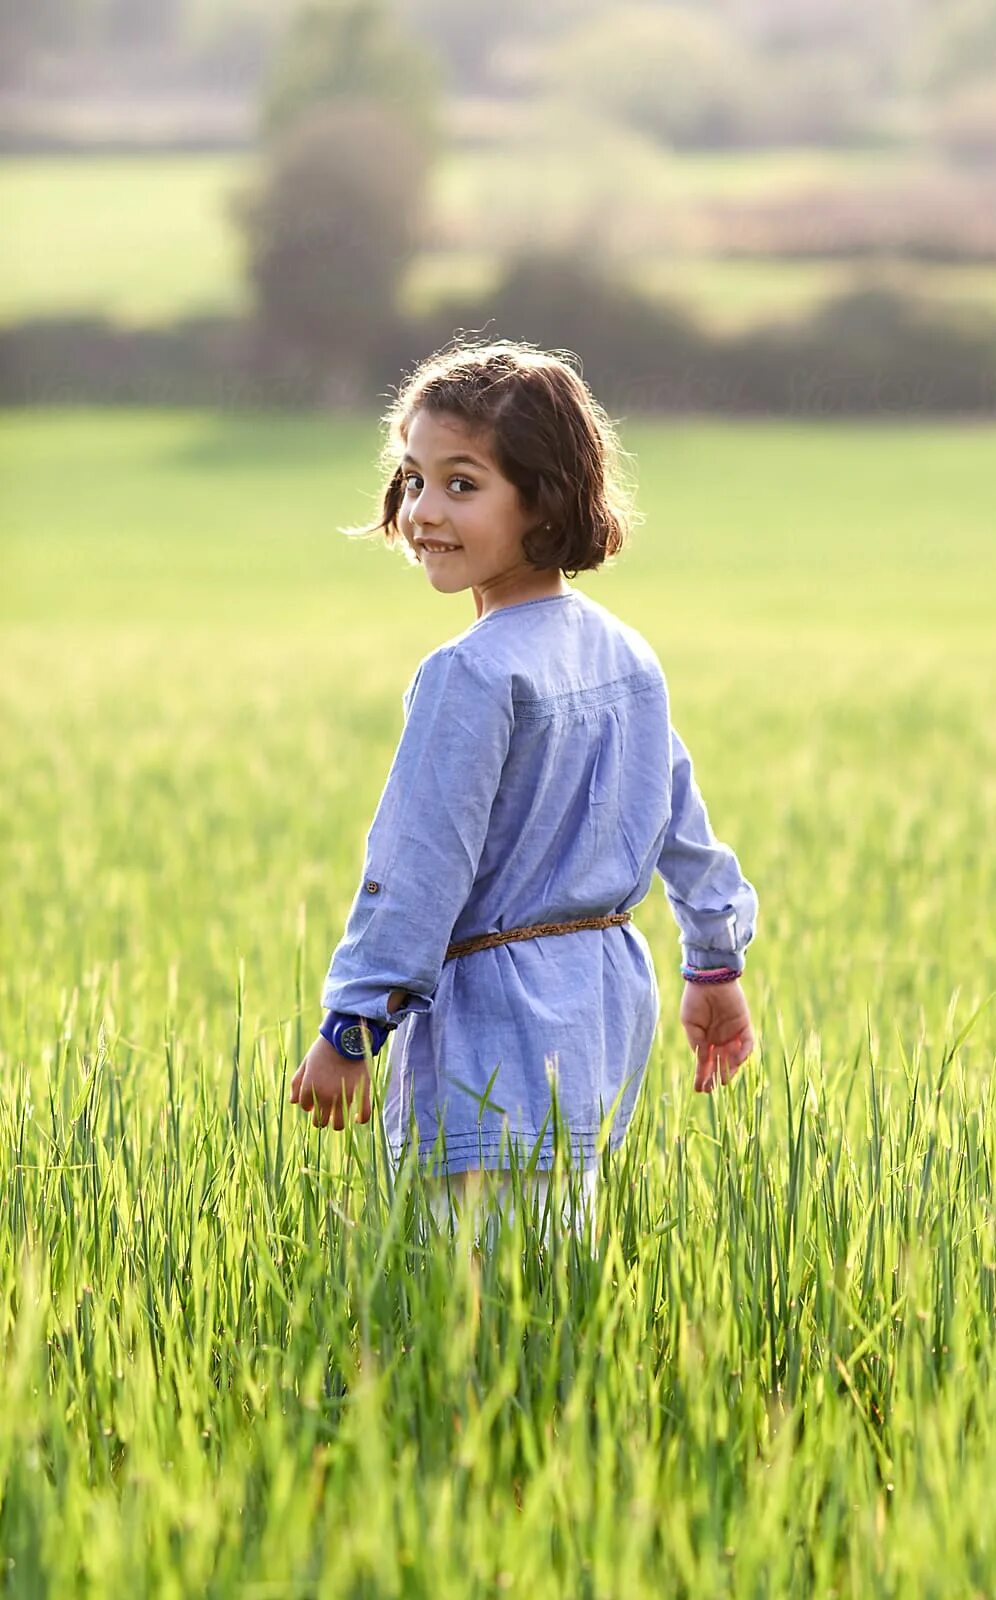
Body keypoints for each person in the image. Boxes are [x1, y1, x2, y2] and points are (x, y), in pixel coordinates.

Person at [289, 339, 757, 1237]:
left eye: (463, 484)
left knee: (472, 1315)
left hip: (492, 1036)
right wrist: (714, 961)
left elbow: (419, 866)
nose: (424, 510)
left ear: (543, 501)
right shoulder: (625, 652)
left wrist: (353, 1029)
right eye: (414, 477)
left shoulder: (469, 673)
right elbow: (686, 832)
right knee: (551, 1278)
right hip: (596, 1020)